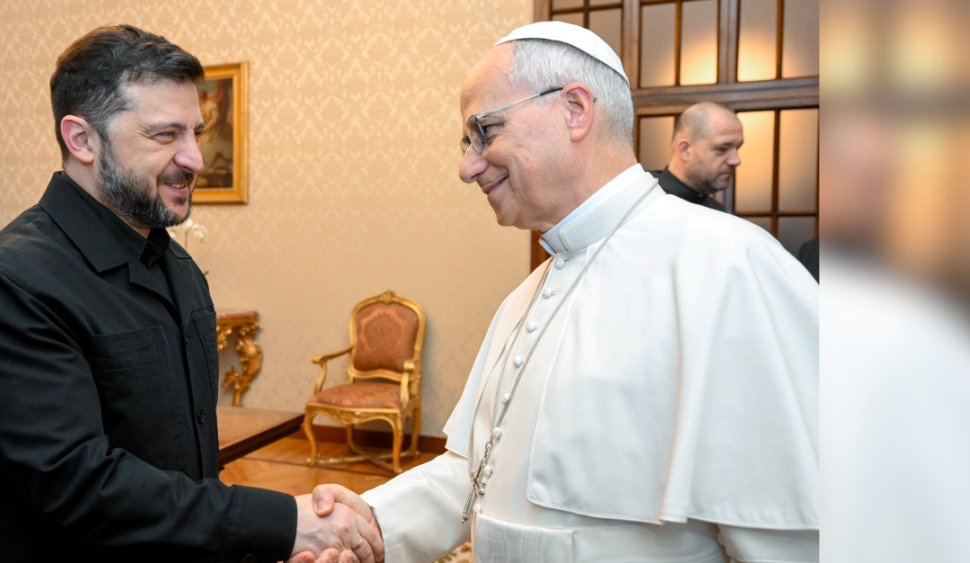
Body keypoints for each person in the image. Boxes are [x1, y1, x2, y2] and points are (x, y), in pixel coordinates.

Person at [307, 22, 818, 563]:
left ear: (575, 110)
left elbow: (792, 539)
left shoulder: (733, 266)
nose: (467, 166)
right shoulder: (526, 297)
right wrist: (365, 524)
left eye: (484, 131)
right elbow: (473, 473)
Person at [0, 25, 381, 563]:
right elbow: (79, 487)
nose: (195, 158)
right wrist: (280, 523)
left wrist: (273, 540)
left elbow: (183, 464)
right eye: (165, 135)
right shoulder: (8, 283)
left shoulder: (176, 264)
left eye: (195, 132)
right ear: (81, 139)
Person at [650, 102, 744, 212]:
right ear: (685, 150)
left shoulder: (718, 211)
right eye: (722, 149)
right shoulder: (643, 199)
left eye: (737, 148)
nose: (736, 161)